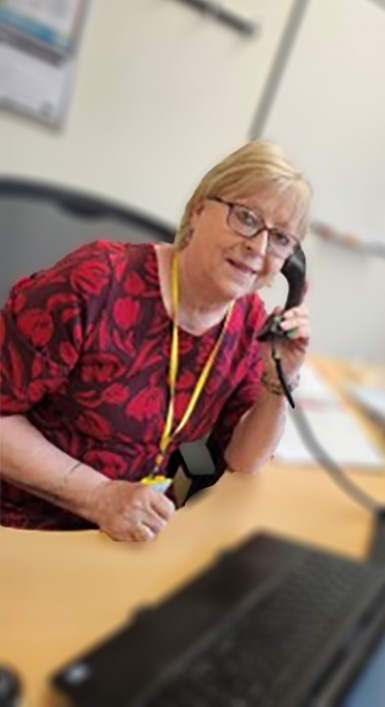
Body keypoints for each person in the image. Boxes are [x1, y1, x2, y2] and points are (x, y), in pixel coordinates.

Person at [0, 140, 311, 542]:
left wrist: (279, 379)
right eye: (246, 217)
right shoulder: (94, 283)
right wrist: (98, 497)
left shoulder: (251, 325)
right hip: (35, 532)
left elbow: (243, 459)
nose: (259, 247)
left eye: (282, 239)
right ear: (199, 209)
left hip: (139, 532)